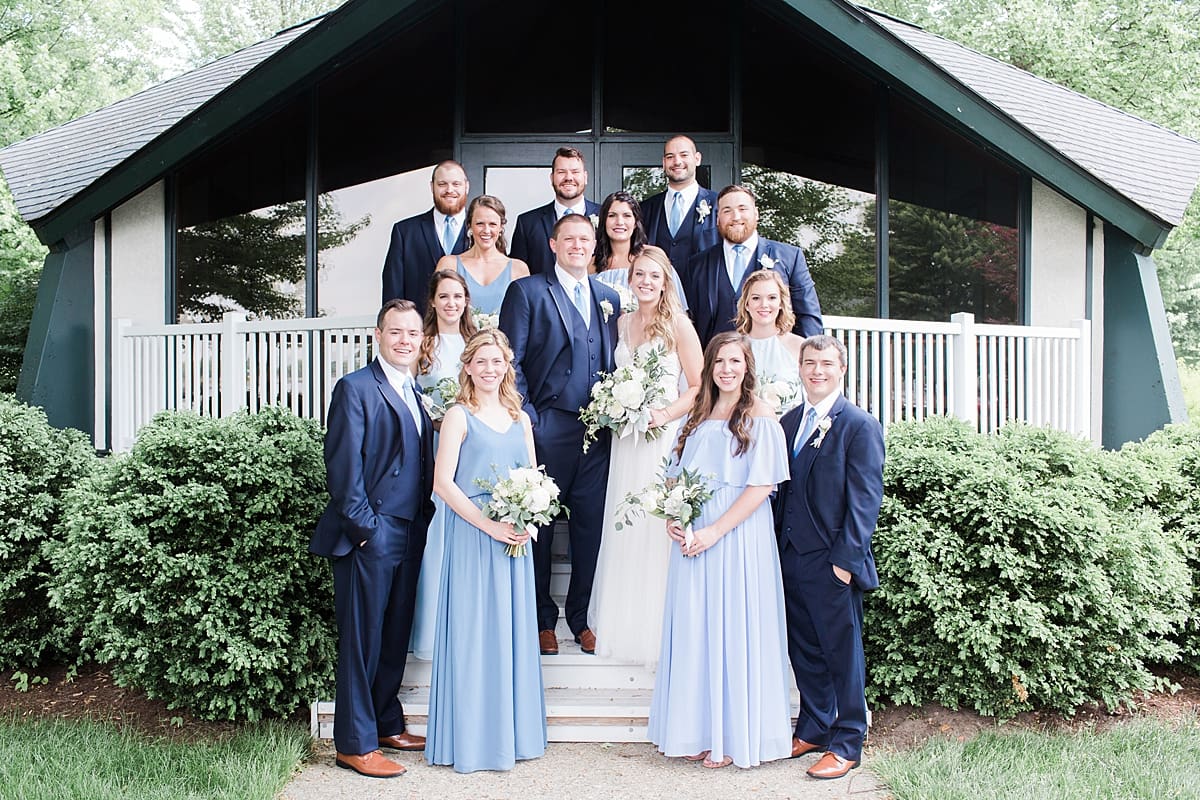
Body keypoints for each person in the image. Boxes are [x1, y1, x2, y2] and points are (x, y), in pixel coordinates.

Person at [647, 332, 793, 769]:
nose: (727, 370)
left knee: (733, 627)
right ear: (709, 367)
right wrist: (675, 516)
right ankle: (695, 730)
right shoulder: (696, 414)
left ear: (748, 367)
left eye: (735, 361)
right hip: (693, 536)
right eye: (719, 362)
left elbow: (761, 486)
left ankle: (731, 736)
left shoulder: (760, 415)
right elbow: (674, 476)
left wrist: (714, 531)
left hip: (738, 534)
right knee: (696, 629)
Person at [309, 299, 434, 779]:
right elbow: (344, 470)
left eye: (412, 333)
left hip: (410, 531)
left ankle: (385, 723)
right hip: (371, 534)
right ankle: (354, 744)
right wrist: (368, 532)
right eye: (395, 332)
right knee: (362, 642)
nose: (405, 340)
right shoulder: (356, 388)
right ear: (377, 335)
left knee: (394, 635)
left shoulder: (415, 391)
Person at [425, 329, 547, 773]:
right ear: (468, 367)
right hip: (474, 536)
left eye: (497, 361)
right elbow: (443, 484)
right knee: (474, 633)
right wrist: (488, 525)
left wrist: (528, 517)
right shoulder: (459, 416)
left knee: (511, 634)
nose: (490, 369)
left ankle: (512, 736)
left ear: (507, 366)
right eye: (482, 361)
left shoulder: (520, 417)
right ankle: (472, 741)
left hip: (513, 538)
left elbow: (533, 476)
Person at [499, 212, 620, 656]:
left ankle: (582, 619)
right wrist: (529, 416)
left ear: (593, 245)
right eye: (568, 239)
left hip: (599, 431)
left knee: (590, 527)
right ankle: (542, 621)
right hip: (547, 427)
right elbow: (509, 359)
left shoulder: (609, 297)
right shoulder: (528, 291)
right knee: (542, 527)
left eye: (584, 239)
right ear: (553, 245)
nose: (577, 246)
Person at [775, 334, 885, 780]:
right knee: (803, 647)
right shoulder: (788, 422)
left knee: (842, 653)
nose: (817, 371)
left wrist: (846, 563)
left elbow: (865, 501)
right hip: (790, 557)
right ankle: (814, 726)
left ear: (842, 370)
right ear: (800, 369)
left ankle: (848, 740)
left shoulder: (859, 425)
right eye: (809, 363)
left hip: (832, 562)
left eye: (826, 364)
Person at [587, 246, 702, 665]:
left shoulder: (679, 325)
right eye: (640, 274)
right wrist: (614, 404)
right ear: (630, 279)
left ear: (666, 281)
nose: (647, 282)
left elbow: (698, 386)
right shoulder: (621, 322)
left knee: (654, 525)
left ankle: (657, 629)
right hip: (626, 439)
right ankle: (622, 623)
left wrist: (663, 414)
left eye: (655, 275)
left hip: (661, 437)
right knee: (624, 523)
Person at [408, 270, 478, 660]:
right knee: (436, 536)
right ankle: (431, 635)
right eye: (444, 296)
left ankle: (465, 632)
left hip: (470, 446)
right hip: (433, 443)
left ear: (466, 301)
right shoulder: (423, 344)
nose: (451, 303)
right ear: (433, 302)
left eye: (458, 296)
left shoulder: (475, 342)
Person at [684, 184, 823, 346]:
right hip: (716, 359)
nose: (736, 217)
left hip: (772, 357)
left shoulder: (790, 257)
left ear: (756, 214)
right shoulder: (697, 264)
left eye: (742, 209)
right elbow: (690, 323)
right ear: (717, 218)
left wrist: (805, 356)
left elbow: (808, 316)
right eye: (727, 211)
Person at [381, 160, 470, 314]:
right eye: (442, 184)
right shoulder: (405, 232)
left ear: (466, 187)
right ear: (432, 187)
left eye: (456, 184)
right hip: (418, 326)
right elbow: (393, 292)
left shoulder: (483, 232)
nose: (449, 190)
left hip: (468, 326)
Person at [433, 195, 529, 319]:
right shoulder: (449, 264)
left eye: (492, 224)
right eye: (480, 224)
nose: (486, 230)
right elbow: (437, 312)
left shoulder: (518, 269)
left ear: (501, 228)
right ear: (470, 226)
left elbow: (524, 317)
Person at [510, 147, 602, 276]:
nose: (568, 177)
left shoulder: (605, 217)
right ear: (552, 178)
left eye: (575, 172)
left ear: (585, 177)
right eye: (561, 172)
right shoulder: (527, 223)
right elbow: (517, 274)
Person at [640, 135, 720, 277]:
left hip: (702, 287)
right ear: (664, 163)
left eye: (684, 155)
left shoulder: (718, 204)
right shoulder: (647, 208)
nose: (677, 162)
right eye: (670, 157)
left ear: (697, 159)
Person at [735, 269, 805, 416]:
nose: (764, 304)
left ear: (781, 303)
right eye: (756, 298)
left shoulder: (799, 346)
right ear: (746, 304)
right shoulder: (734, 347)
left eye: (772, 298)